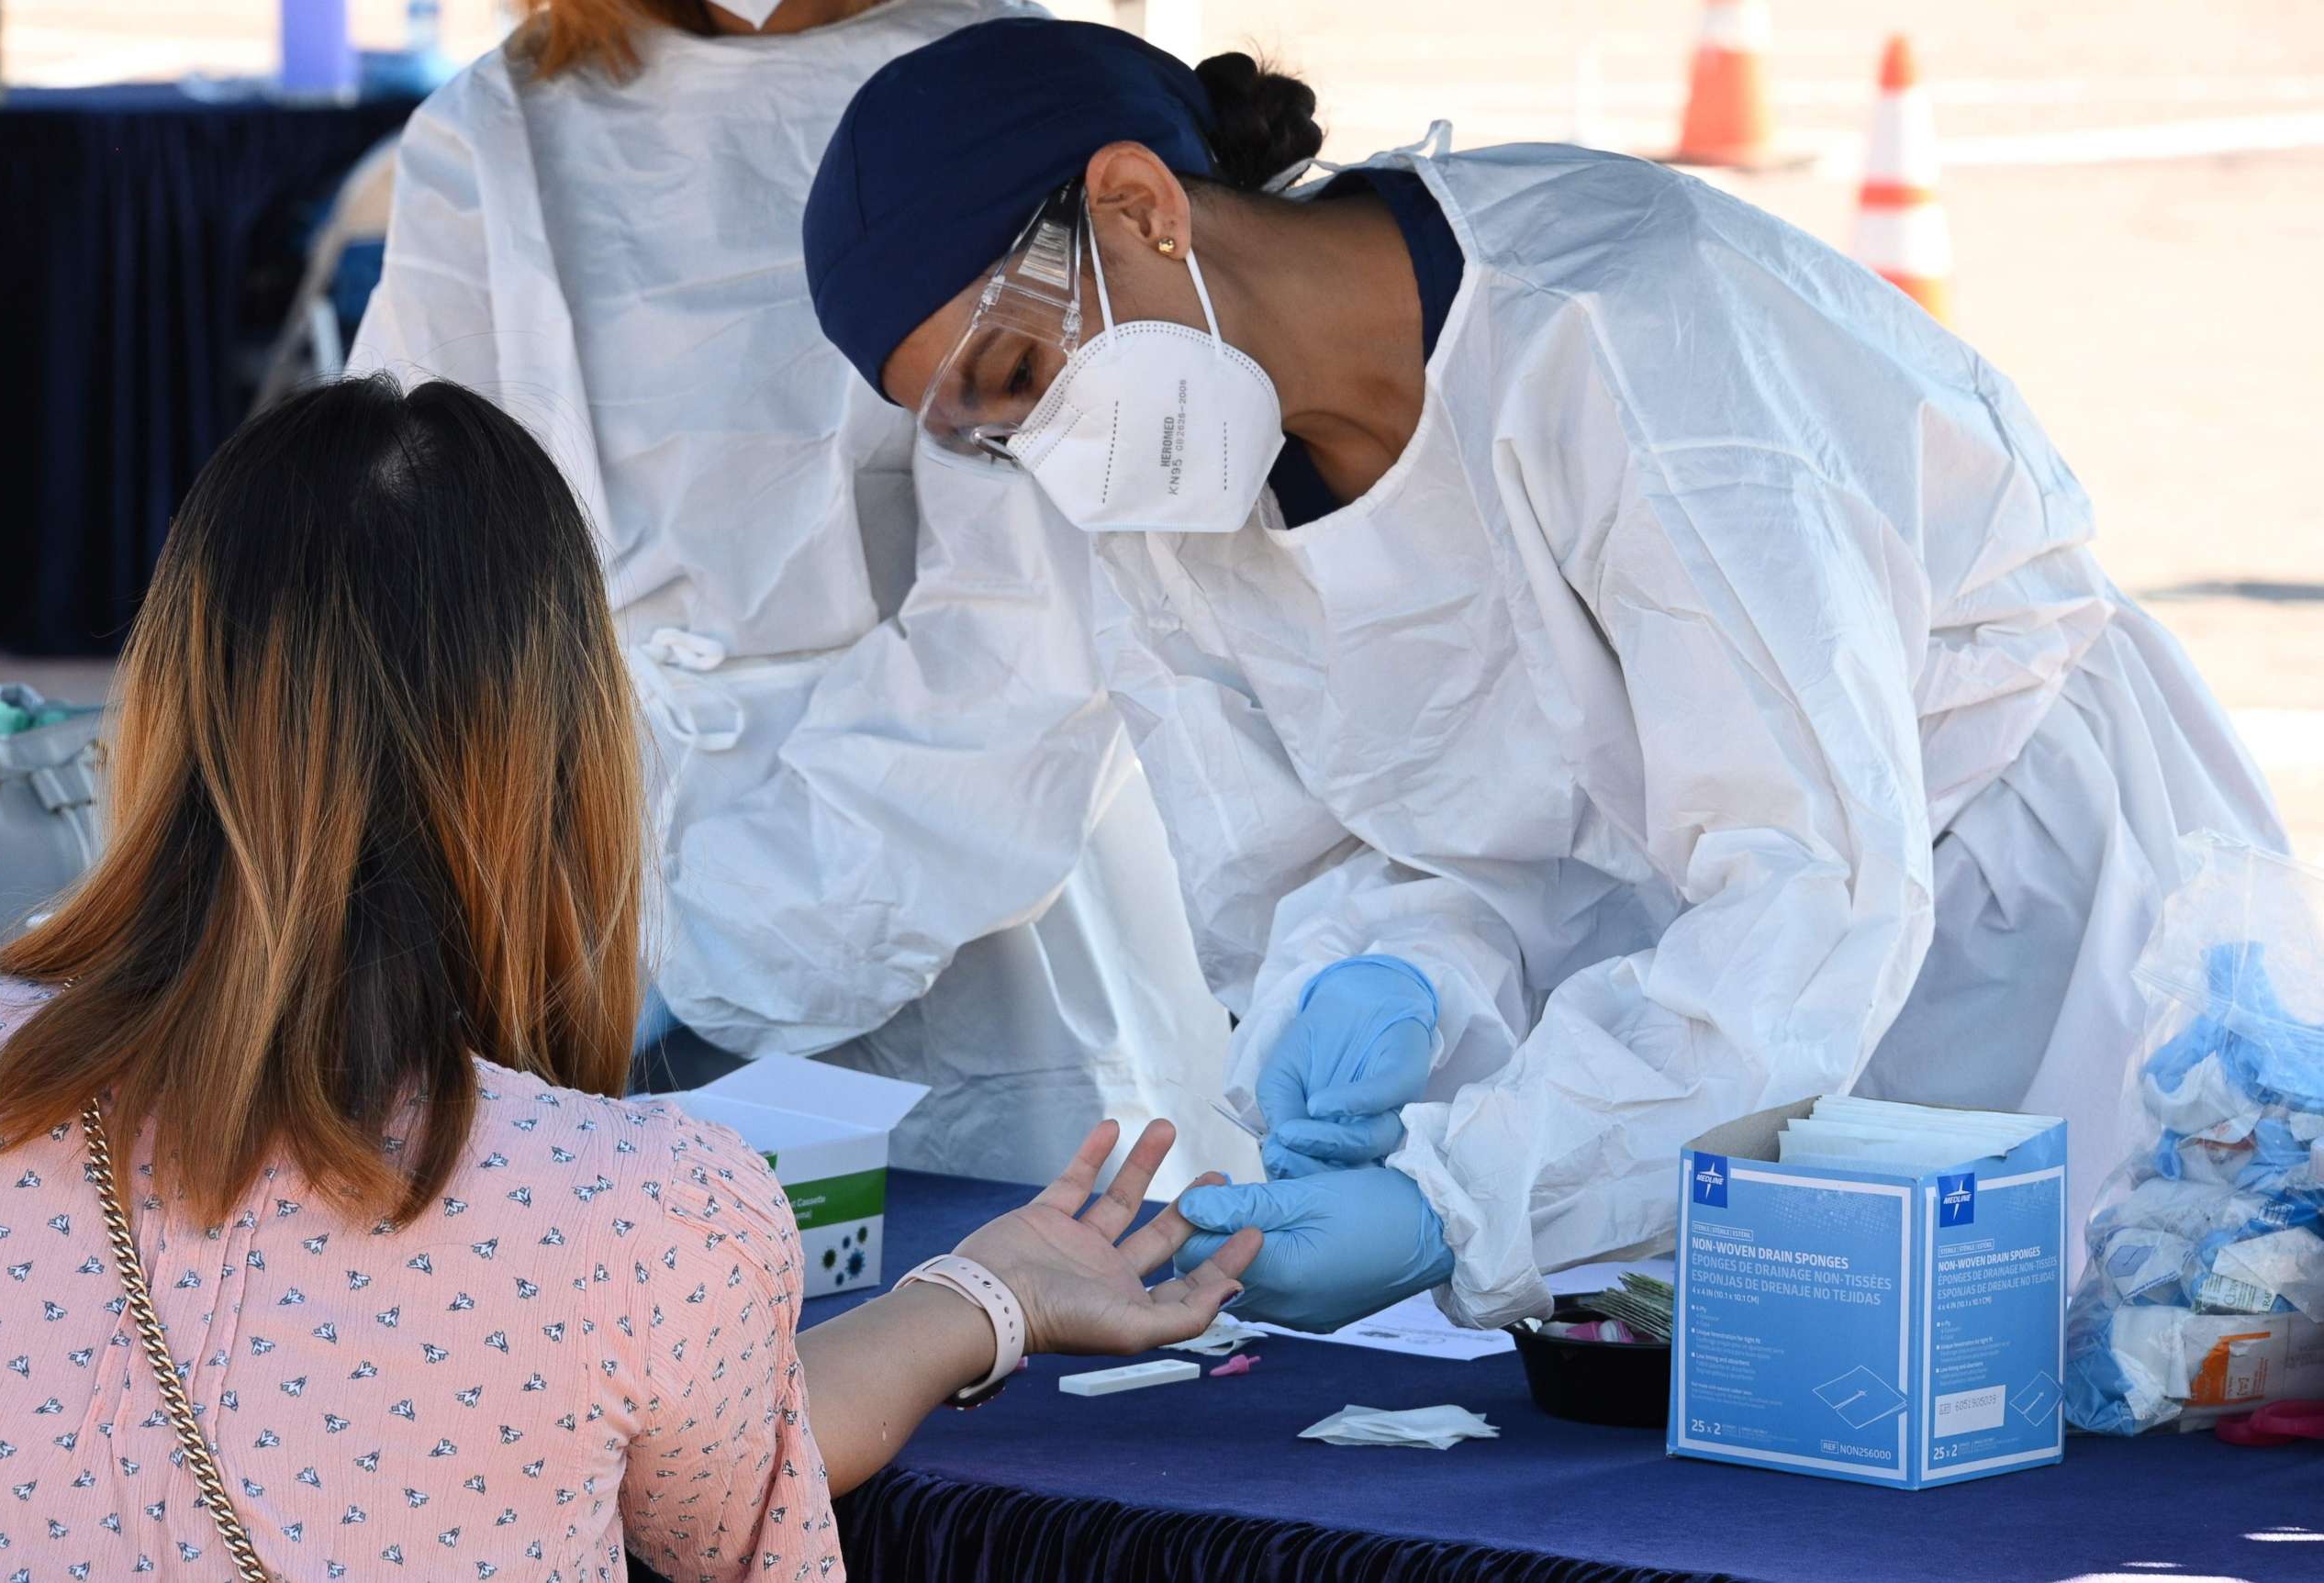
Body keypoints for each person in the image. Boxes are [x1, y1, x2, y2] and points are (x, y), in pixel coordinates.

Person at [800, 18, 2288, 1332]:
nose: (1040, 452)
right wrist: (1381, 975)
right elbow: (1334, 855)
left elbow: (1812, 884)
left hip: (1996, 928)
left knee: (2075, 1381)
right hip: (1695, 1022)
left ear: (1137, 205)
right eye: (981, 433)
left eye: (1016, 373)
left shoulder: (1632, 330)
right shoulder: (1176, 494)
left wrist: (1472, 1199)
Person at [0, 376, 1257, 1580]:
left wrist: (986, 1291)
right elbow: (738, 1496)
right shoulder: (634, 1212)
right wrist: (992, 1297)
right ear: (558, 755)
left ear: (167, 700)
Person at [348, 0, 1249, 1187]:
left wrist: (705, 947)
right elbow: (412, 551)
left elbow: (1026, 638)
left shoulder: (985, 86)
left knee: (968, 1286)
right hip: (579, 867)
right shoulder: (501, 126)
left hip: (964, 879)